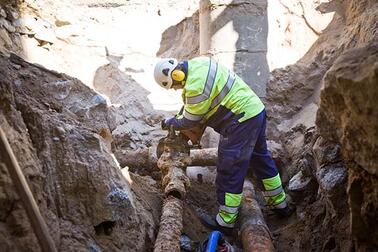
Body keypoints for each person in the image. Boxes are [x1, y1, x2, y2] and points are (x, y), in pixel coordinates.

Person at [153, 57, 295, 234]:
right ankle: (280, 204)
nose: (177, 89)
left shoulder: (195, 87)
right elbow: (193, 105)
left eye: (174, 85)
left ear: (177, 74)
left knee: (230, 168)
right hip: (255, 111)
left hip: (240, 120)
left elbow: (190, 119)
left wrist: (171, 122)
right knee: (261, 159)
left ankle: (226, 221)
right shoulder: (200, 64)